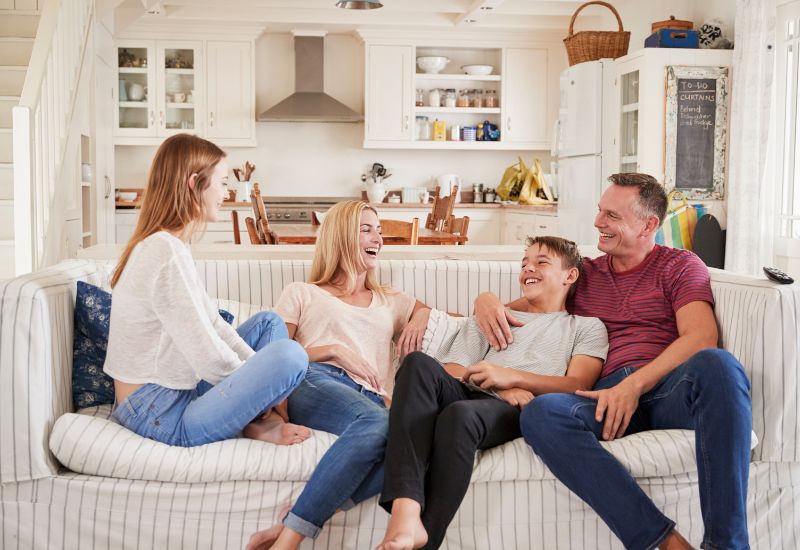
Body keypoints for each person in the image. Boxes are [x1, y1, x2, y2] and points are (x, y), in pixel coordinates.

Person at [473, 173, 752, 550]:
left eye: (612, 216)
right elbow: (516, 310)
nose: (597, 222)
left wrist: (633, 386)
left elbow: (701, 337)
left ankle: (727, 545)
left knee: (720, 365)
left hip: (667, 390)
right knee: (541, 413)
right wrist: (485, 300)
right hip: (603, 398)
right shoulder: (584, 275)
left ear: (648, 225)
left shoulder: (680, 266)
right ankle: (666, 543)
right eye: (600, 211)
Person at [378, 236, 609, 550]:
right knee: (417, 362)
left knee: (460, 416)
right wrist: (500, 384)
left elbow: (576, 384)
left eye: (541, 262)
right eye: (524, 264)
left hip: (516, 409)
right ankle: (405, 511)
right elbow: (453, 370)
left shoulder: (585, 327)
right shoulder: (494, 316)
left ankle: (425, 539)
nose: (528, 269)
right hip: (474, 390)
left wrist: (513, 379)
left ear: (570, 275)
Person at [104, 133, 311, 448]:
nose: (226, 193)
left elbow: (213, 324)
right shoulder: (164, 251)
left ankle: (255, 420)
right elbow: (208, 357)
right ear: (194, 184)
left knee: (269, 323)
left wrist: (259, 382)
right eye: (222, 183)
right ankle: (260, 422)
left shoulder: (168, 245)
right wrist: (259, 388)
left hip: (166, 394)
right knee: (291, 356)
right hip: (159, 413)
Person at [247, 200, 431, 550]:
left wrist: (422, 315)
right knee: (378, 422)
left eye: (379, 231)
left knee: (413, 447)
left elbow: (440, 318)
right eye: (367, 230)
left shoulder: (390, 299)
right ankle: (290, 542)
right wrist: (332, 350)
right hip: (315, 380)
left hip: (372, 399)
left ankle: (292, 522)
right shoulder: (303, 293)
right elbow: (272, 359)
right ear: (341, 236)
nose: (378, 238)